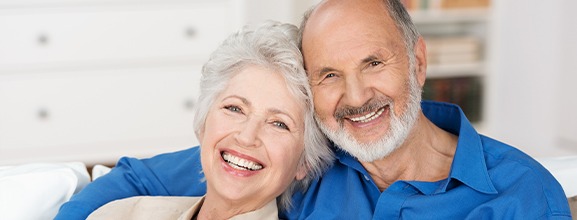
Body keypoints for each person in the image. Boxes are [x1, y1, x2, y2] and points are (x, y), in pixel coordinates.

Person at [56, 0, 572, 219]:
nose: (355, 96)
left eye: (373, 62)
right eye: (329, 75)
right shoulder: (307, 163)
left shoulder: (518, 194)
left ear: (417, 61)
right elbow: (136, 179)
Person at [83, 21, 333, 219]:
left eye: (279, 123)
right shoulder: (122, 213)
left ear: (304, 163)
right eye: (234, 108)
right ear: (203, 124)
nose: (246, 137)